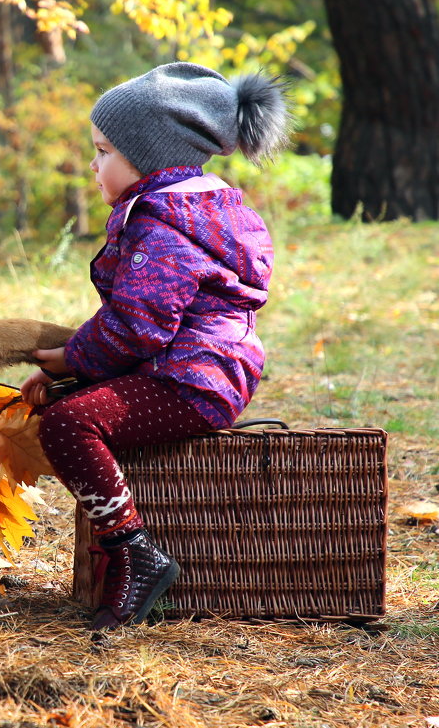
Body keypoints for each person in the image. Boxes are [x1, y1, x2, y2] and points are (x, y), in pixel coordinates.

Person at [20, 62, 290, 630]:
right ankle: (129, 548)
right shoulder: (190, 210)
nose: (94, 166)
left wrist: (74, 359)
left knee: (69, 425)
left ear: (151, 155)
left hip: (193, 380)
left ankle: (134, 552)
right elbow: (142, 325)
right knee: (73, 408)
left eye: (104, 152)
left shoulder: (167, 221)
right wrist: (79, 375)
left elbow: (137, 325)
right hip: (188, 371)